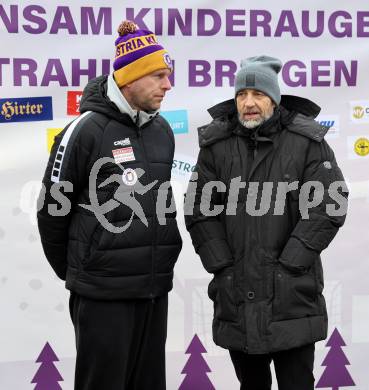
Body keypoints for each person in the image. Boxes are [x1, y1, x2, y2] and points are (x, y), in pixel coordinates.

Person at [185, 55, 348, 390]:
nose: (249, 103)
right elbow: (199, 209)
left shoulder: (306, 142)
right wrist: (221, 264)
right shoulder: (216, 146)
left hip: (292, 296)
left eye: (258, 94)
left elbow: (328, 205)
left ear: (274, 98)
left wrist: (291, 263)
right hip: (237, 296)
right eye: (242, 95)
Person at [37, 20, 182, 390]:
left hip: (153, 289)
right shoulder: (86, 129)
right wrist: (83, 271)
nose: (168, 85)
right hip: (103, 293)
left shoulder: (162, 130)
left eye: (168, 75)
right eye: (159, 76)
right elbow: (52, 210)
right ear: (130, 78)